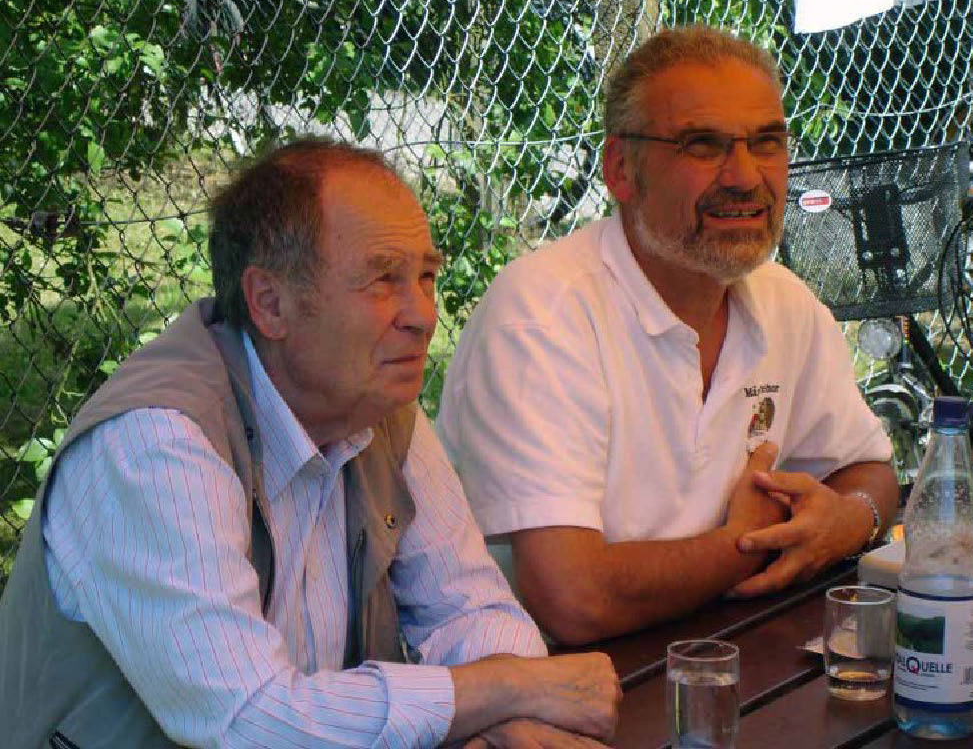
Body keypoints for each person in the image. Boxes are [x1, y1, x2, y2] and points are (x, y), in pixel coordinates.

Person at [0, 139, 620, 748]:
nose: (423, 315)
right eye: (383, 280)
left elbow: (471, 609)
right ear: (270, 303)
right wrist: (508, 688)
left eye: (426, 276)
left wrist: (511, 716)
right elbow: (249, 720)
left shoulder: (378, 411)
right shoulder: (157, 442)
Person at [437, 26, 898, 645]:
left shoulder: (784, 301)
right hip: (555, 681)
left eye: (766, 141)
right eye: (702, 146)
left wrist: (848, 521)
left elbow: (869, 469)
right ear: (620, 171)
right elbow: (572, 600)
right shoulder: (542, 317)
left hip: (730, 652)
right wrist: (749, 544)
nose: (745, 176)